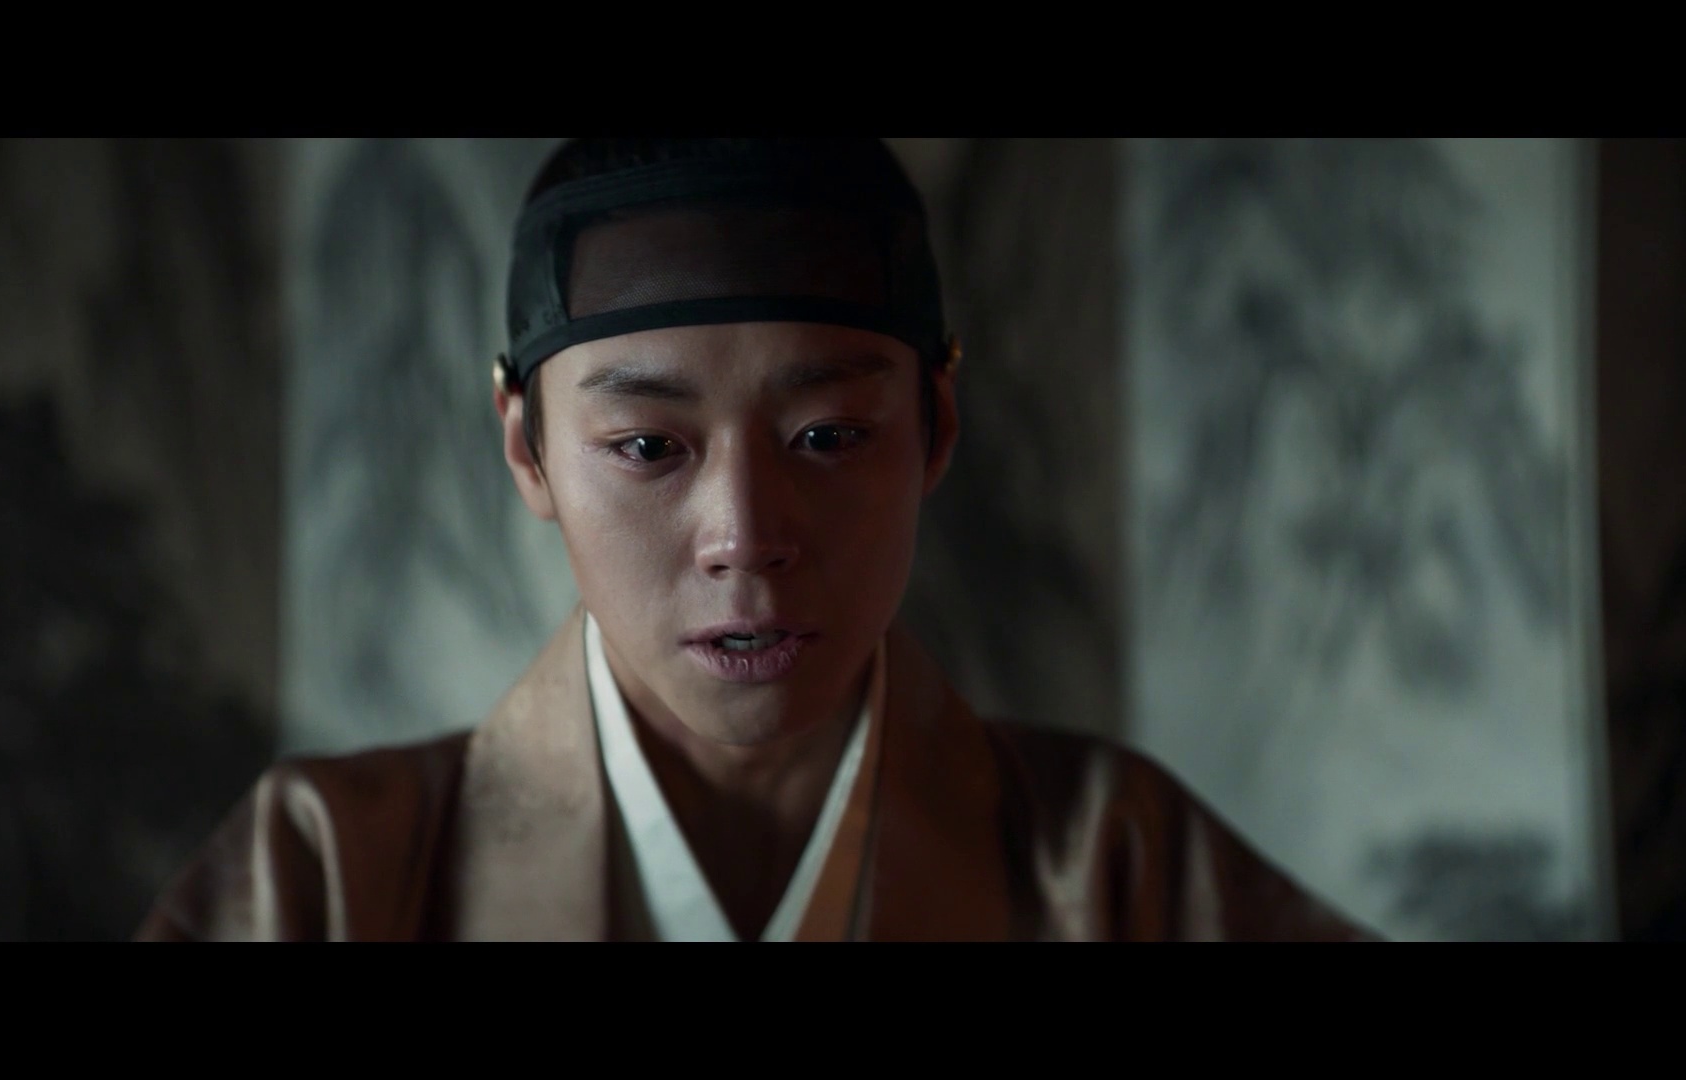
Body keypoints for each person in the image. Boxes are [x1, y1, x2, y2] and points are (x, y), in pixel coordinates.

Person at [136, 138, 1374, 942]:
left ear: (937, 427)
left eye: (828, 436)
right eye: (647, 447)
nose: (744, 537)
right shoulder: (324, 879)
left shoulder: (1118, 868)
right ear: (526, 448)